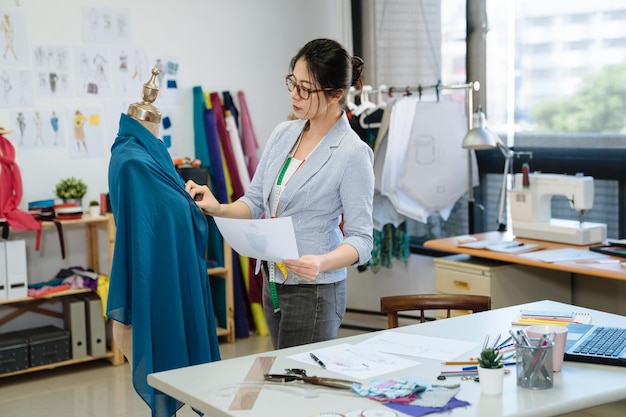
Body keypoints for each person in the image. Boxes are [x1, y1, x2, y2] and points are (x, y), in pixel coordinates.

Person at [186, 38, 375, 349]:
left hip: (314, 288)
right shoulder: (283, 134)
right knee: (283, 380)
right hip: (273, 280)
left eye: (305, 88)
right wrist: (216, 207)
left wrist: (322, 262)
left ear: (335, 94)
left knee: (299, 388)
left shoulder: (353, 153)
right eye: (292, 82)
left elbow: (362, 240)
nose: (293, 94)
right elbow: (254, 201)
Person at [107, 67, 220, 417]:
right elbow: (156, 217)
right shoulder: (132, 159)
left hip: (169, 262)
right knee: (166, 351)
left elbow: (165, 208)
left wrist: (184, 202)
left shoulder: (151, 150)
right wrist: (188, 206)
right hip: (156, 270)